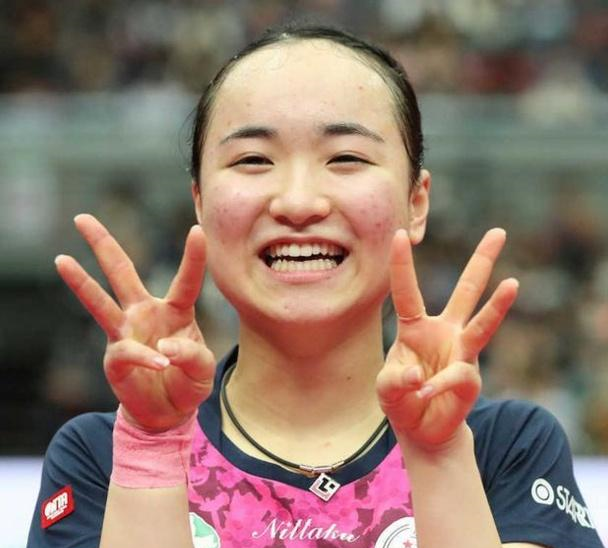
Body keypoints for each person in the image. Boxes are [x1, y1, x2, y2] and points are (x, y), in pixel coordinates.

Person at [27, 23, 604, 548]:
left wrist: (439, 455)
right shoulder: (102, 458)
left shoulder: (505, 446)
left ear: (416, 202)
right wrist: (152, 450)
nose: (299, 202)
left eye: (346, 157)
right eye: (253, 160)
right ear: (199, 202)